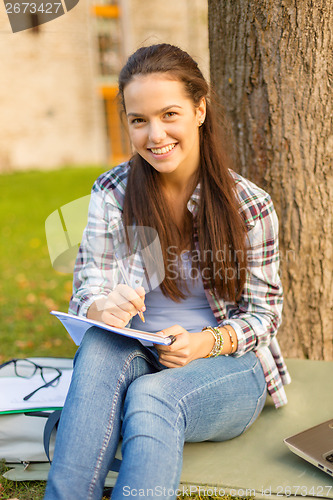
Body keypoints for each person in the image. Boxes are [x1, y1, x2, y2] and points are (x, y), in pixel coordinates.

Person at [44, 43, 291, 500]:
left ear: (200, 109)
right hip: (136, 354)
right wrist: (103, 305)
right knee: (100, 342)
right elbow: (88, 289)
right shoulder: (112, 191)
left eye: (169, 114)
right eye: (139, 120)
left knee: (153, 397)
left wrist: (206, 343)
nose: (155, 135)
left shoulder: (250, 206)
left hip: (225, 368)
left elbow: (266, 314)